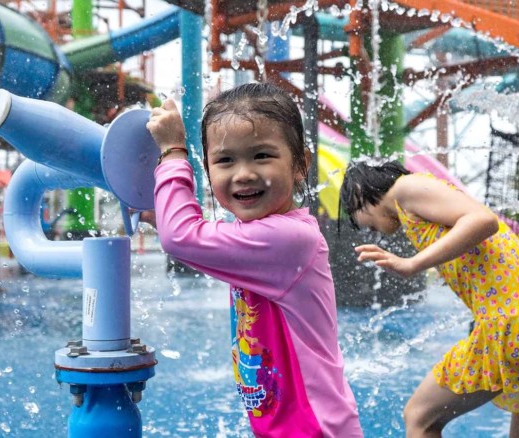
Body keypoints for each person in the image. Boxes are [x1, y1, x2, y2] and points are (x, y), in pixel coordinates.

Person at [146, 83, 363, 437]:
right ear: (209, 169)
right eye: (225, 160)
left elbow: (179, 237)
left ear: (300, 165)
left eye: (262, 155)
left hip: (314, 429)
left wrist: (172, 152)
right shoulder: (268, 235)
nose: (243, 173)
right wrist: (160, 209)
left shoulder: (288, 239)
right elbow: (187, 232)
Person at [340, 160, 519, 438]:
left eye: (356, 216)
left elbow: (483, 220)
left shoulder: (405, 188)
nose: (367, 229)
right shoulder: (414, 202)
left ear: (360, 193)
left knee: (419, 418)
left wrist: (413, 264)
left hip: (513, 325)